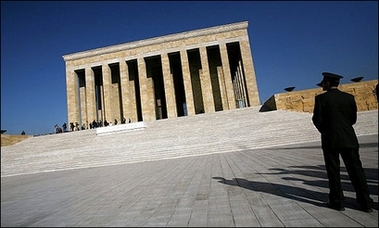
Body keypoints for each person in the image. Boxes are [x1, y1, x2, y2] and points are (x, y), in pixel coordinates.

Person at [312, 72, 373, 213]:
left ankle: (337, 201)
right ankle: (366, 203)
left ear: (327, 83)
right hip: (349, 138)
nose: (322, 85)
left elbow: (317, 119)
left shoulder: (321, 99)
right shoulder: (349, 98)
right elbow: (353, 119)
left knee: (333, 171)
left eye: (323, 83)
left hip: (330, 140)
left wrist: (326, 131)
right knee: (357, 171)